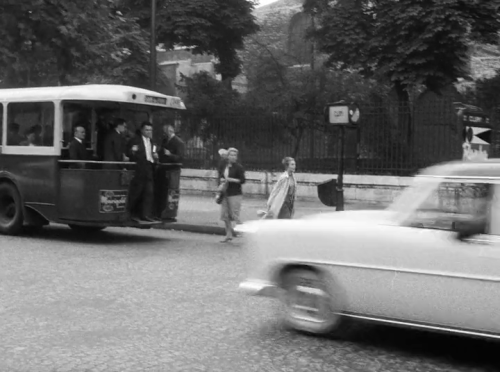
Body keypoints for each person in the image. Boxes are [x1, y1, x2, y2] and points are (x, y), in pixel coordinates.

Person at [127, 121, 159, 223]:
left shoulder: (152, 141)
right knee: (136, 192)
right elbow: (128, 153)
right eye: (147, 130)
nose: (149, 132)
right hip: (139, 169)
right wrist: (132, 151)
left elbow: (154, 153)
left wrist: (155, 157)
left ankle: (145, 215)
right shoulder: (135, 140)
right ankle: (130, 213)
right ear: (142, 130)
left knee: (149, 192)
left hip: (148, 168)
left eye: (150, 130)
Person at [218, 147, 245, 243]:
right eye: (231, 155)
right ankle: (228, 234)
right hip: (225, 192)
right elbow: (220, 175)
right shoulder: (224, 166)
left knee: (234, 215)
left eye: (235, 155)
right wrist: (221, 181)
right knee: (225, 215)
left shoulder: (238, 167)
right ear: (228, 156)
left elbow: (242, 180)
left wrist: (231, 179)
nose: (233, 157)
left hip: (235, 193)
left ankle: (242, 231)